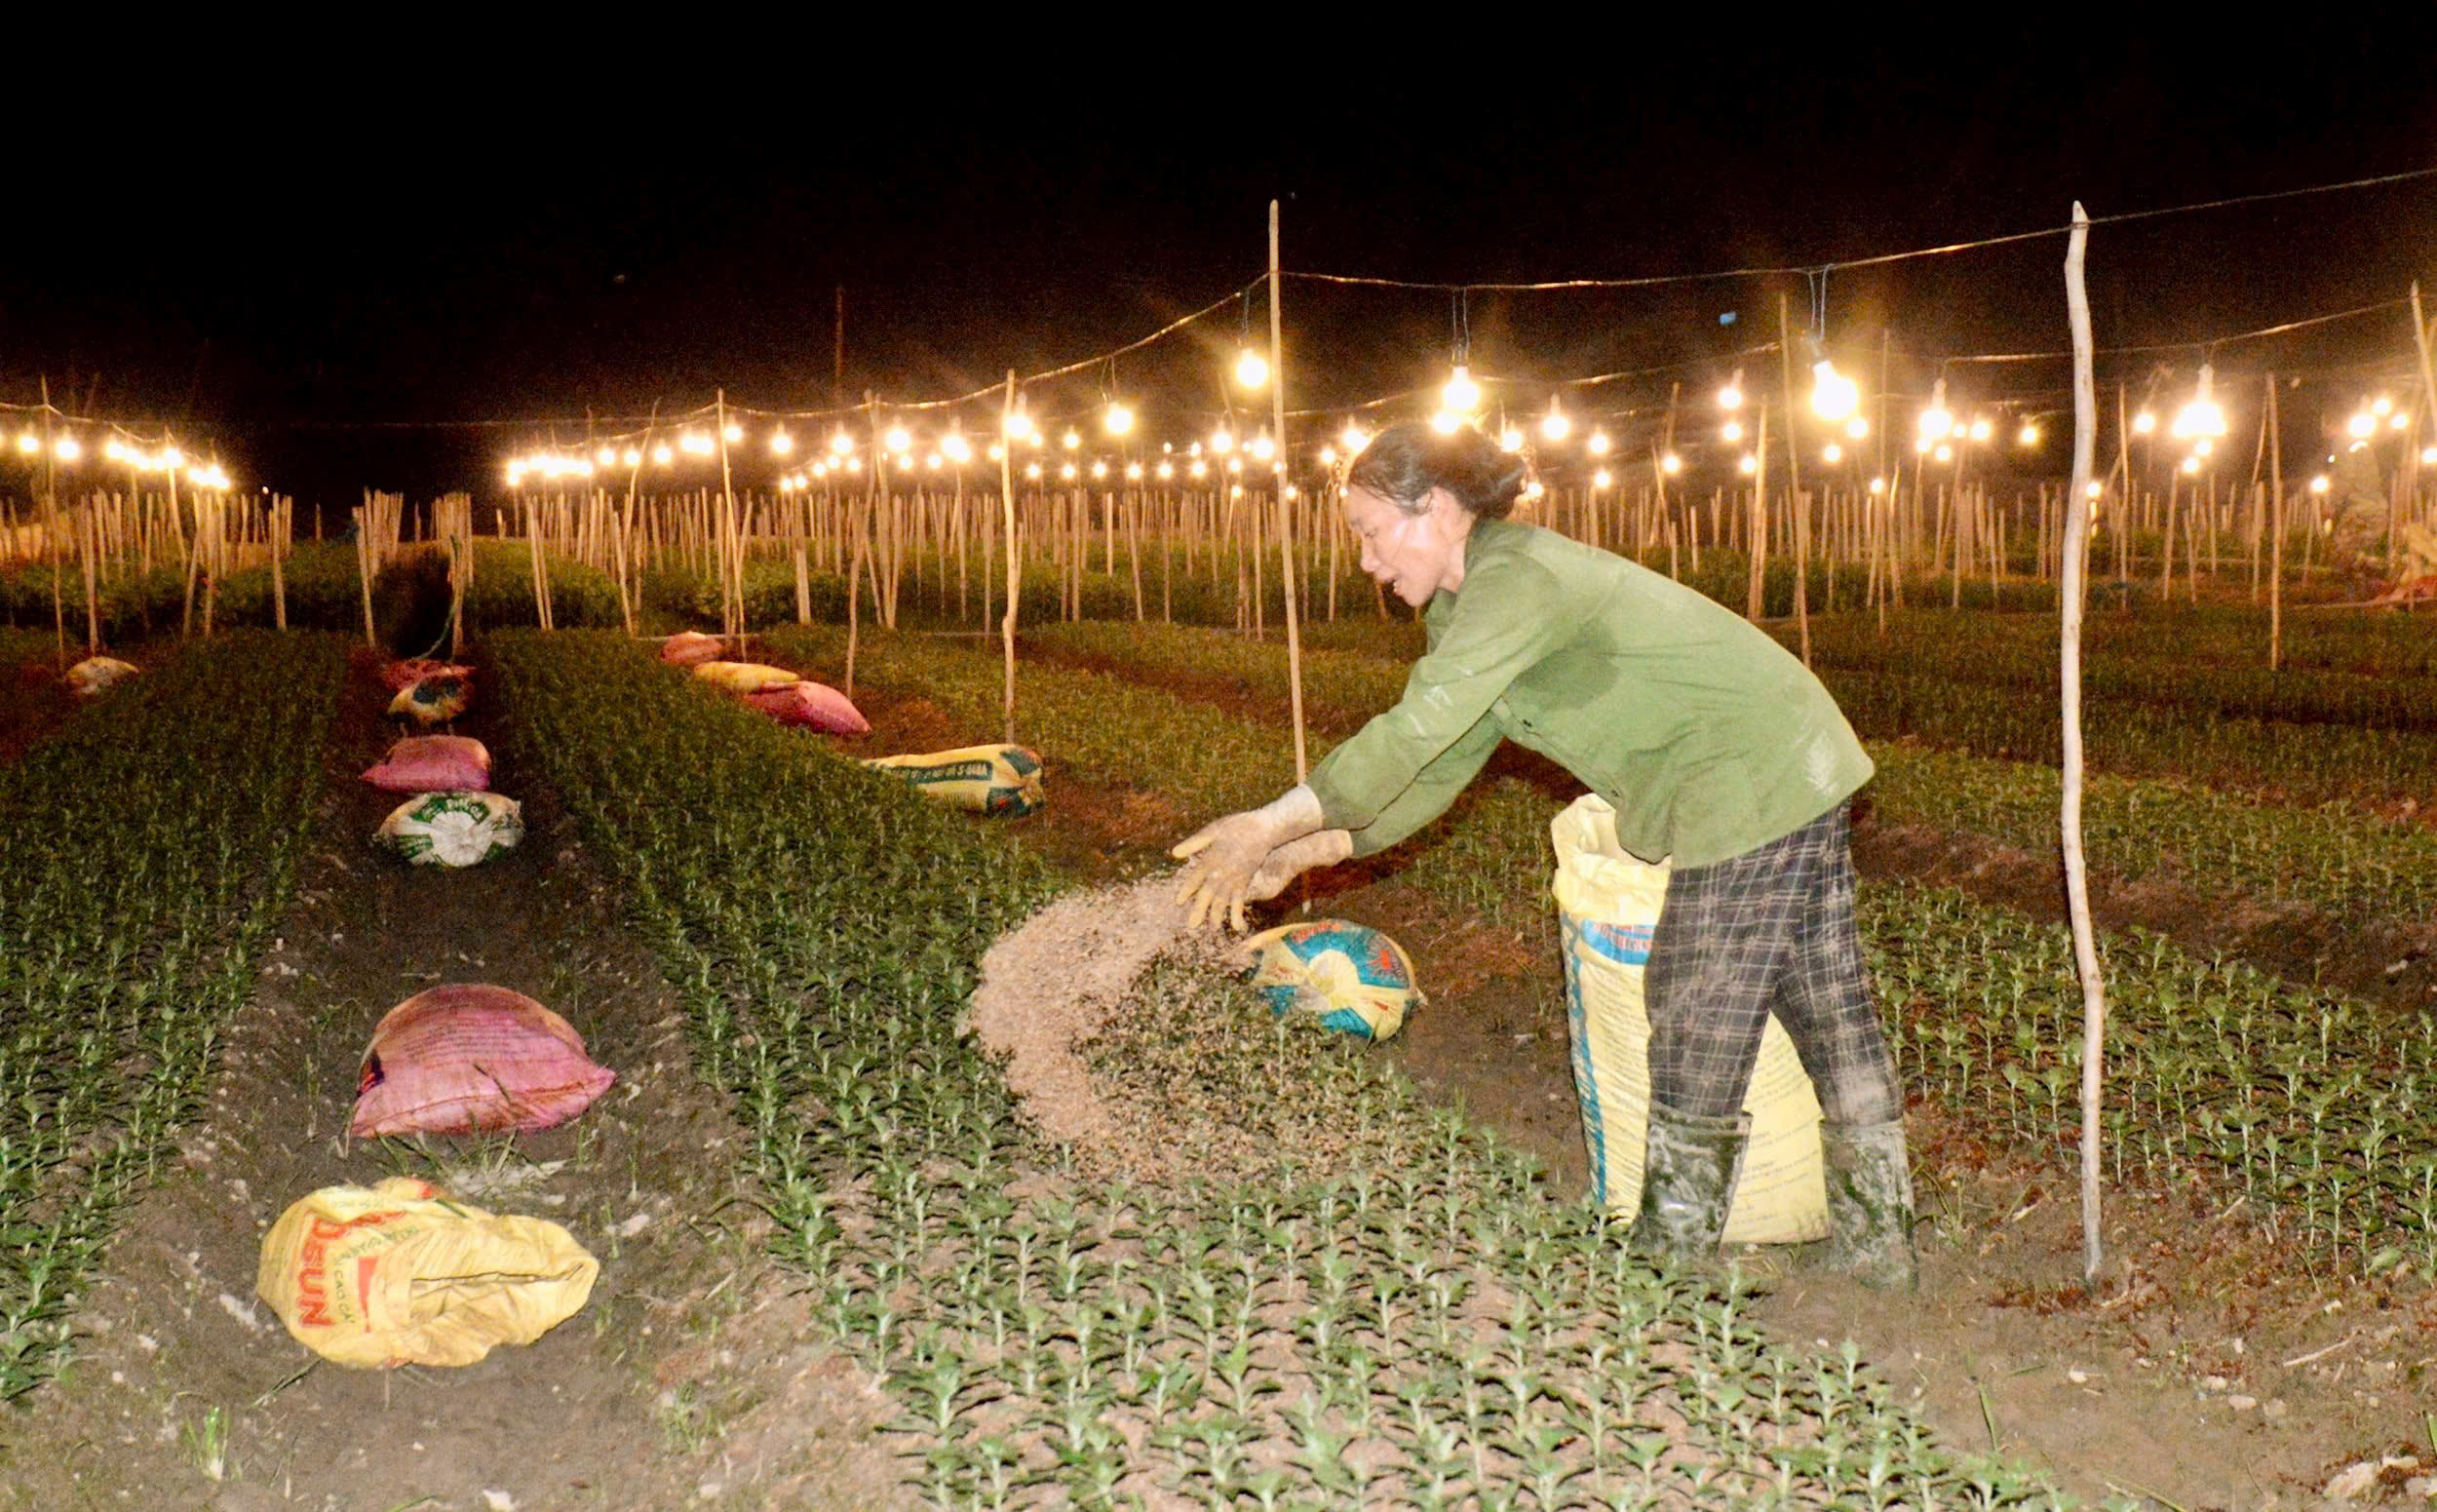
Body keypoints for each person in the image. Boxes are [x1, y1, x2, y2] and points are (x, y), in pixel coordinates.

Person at [1172, 420, 1915, 1289]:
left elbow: (1413, 729)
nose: (1366, 562)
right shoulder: (1464, 608)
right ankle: (1879, 1245)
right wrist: (1308, 851)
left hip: (1747, 769)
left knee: (1694, 996)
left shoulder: (1517, 580)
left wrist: (1267, 822)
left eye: (1372, 533)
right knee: (1824, 1000)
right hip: (1787, 761)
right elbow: (1441, 759)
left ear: (1436, 507)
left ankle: (1673, 1256)